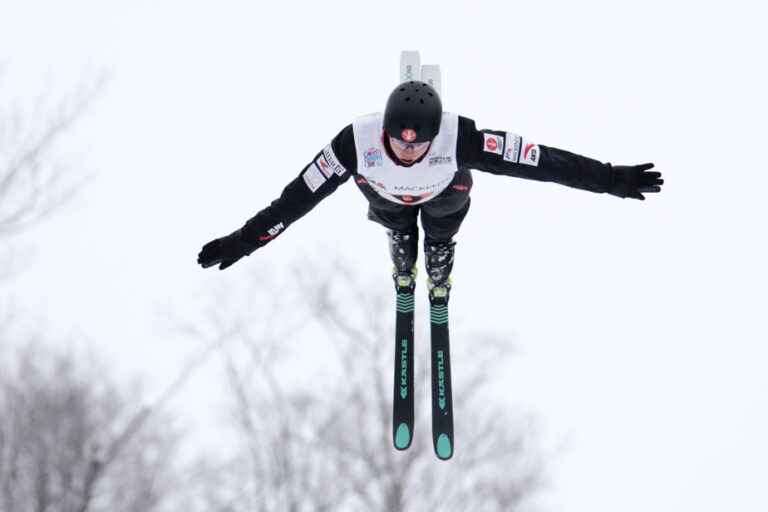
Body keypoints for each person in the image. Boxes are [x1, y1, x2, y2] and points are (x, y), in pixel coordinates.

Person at [197, 81, 663, 300]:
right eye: (399, 139)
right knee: (390, 209)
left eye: (417, 142)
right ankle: (403, 248)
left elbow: (539, 161)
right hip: (385, 196)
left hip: (443, 193)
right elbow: (296, 201)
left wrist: (608, 179)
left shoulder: (461, 138)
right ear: (386, 130)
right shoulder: (352, 144)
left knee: (448, 203)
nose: (407, 148)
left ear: (432, 134)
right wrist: (246, 240)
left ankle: (437, 253)